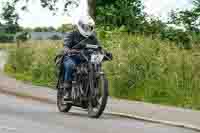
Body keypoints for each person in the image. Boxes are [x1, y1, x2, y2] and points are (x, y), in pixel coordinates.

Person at [62, 15, 100, 99]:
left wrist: (105, 53)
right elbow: (65, 45)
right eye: (86, 27)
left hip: (86, 59)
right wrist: (68, 50)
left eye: (90, 28)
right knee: (70, 65)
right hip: (72, 57)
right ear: (80, 25)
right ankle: (67, 90)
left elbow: (99, 47)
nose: (88, 29)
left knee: (96, 66)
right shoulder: (72, 34)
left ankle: (94, 88)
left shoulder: (93, 38)